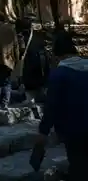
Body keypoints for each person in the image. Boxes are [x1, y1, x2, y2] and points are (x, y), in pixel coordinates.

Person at [36, 30, 88, 181]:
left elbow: (52, 106)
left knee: (79, 165)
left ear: (57, 55)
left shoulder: (60, 74)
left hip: (74, 130)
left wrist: (43, 132)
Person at [16, 17, 50, 115]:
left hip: (31, 64)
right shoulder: (38, 35)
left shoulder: (22, 37)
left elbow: (21, 51)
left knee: (31, 86)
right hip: (41, 64)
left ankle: (33, 107)